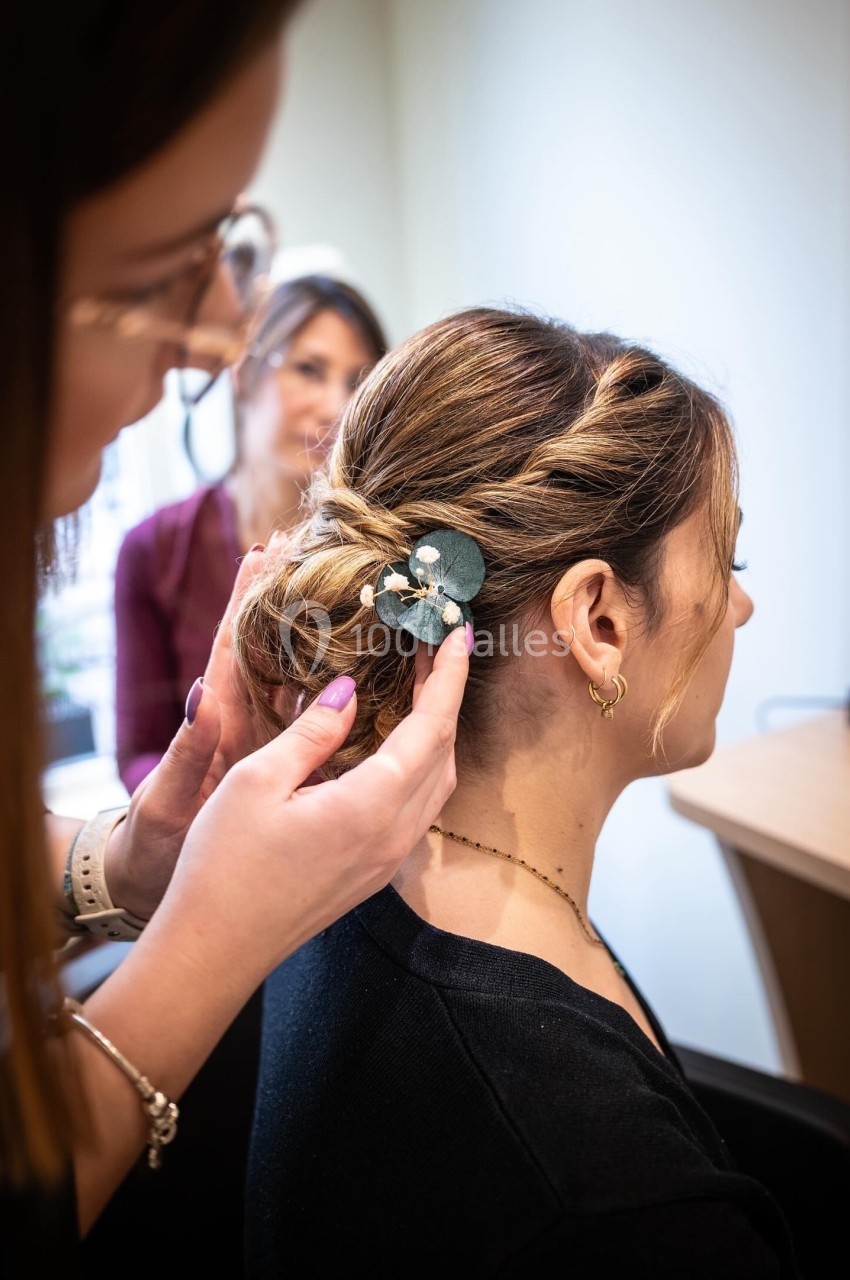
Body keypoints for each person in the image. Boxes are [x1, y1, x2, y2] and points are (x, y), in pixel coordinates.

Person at [1, 2, 470, 1271]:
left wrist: (123, 863)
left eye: (231, 242)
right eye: (160, 268)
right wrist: (210, 919)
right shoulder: (161, 544)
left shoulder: (399, 575)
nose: (218, 330)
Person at [232, 306, 800, 1277]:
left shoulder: (335, 878)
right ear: (599, 621)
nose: (740, 603)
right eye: (728, 558)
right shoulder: (604, 1194)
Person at [114, 273, 388, 794]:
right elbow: (138, 752)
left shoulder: (382, 551)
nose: (336, 406)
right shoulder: (154, 551)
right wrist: (204, 793)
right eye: (309, 369)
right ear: (244, 372)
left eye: (357, 381)